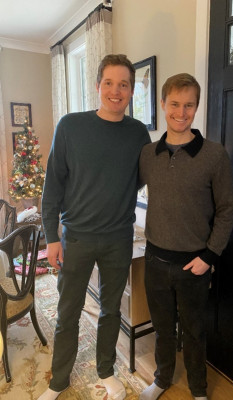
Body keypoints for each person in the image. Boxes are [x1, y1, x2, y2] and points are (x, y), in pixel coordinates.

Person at [39, 54, 151, 400]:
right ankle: (59, 381)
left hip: (119, 239)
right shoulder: (70, 126)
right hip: (77, 239)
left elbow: (147, 180)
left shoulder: (137, 133)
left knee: (111, 310)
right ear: (97, 85)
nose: (116, 91)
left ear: (132, 91)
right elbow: (52, 187)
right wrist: (52, 238)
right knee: (68, 312)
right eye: (109, 83)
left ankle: (106, 371)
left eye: (124, 84)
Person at [139, 73, 233, 400]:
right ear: (163, 105)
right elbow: (121, 190)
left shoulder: (214, 155)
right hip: (154, 261)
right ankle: (162, 379)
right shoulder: (148, 155)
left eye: (189, 105)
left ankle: (198, 390)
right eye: (175, 104)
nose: (181, 112)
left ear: (197, 107)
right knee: (162, 330)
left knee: (194, 333)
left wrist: (209, 258)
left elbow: (226, 210)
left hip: (194, 265)